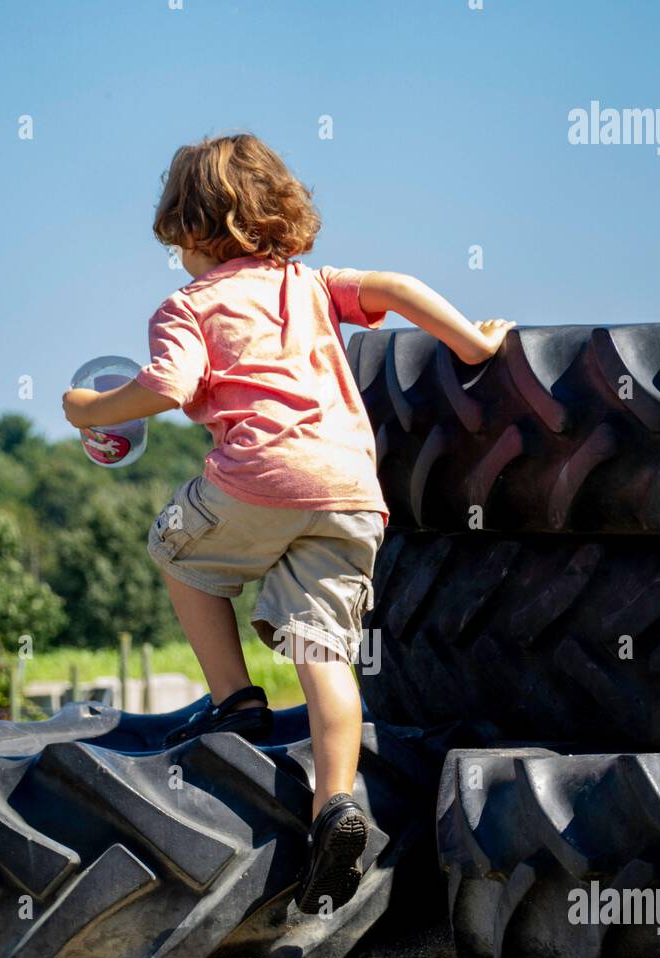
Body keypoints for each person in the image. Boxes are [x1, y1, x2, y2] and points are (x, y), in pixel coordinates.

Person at [63, 132, 514, 914]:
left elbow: (171, 385)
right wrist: (476, 342)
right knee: (324, 649)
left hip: (256, 479)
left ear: (190, 230)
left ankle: (234, 699)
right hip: (347, 493)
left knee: (174, 548)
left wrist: (90, 409)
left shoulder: (187, 306)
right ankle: (336, 804)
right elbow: (400, 288)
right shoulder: (309, 284)